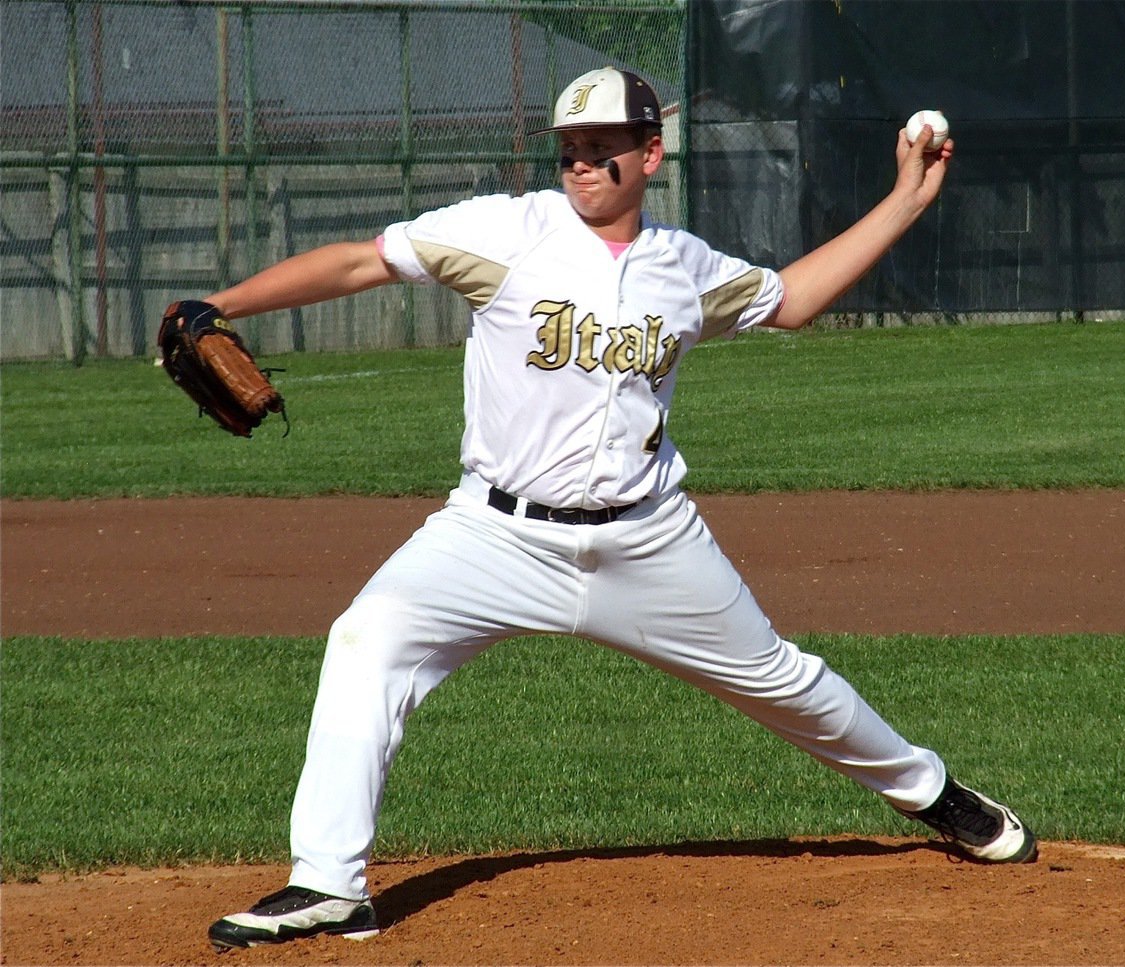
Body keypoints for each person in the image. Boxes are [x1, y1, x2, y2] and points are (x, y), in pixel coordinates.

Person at [203, 66, 1036, 950]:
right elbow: (362, 260)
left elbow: (791, 300)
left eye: (601, 146)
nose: (581, 163)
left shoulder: (685, 266)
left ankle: (932, 792)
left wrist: (905, 200)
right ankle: (329, 883)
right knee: (366, 640)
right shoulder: (502, 230)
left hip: (648, 539)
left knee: (782, 679)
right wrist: (219, 305)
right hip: (494, 534)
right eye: (570, 148)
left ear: (650, 154)